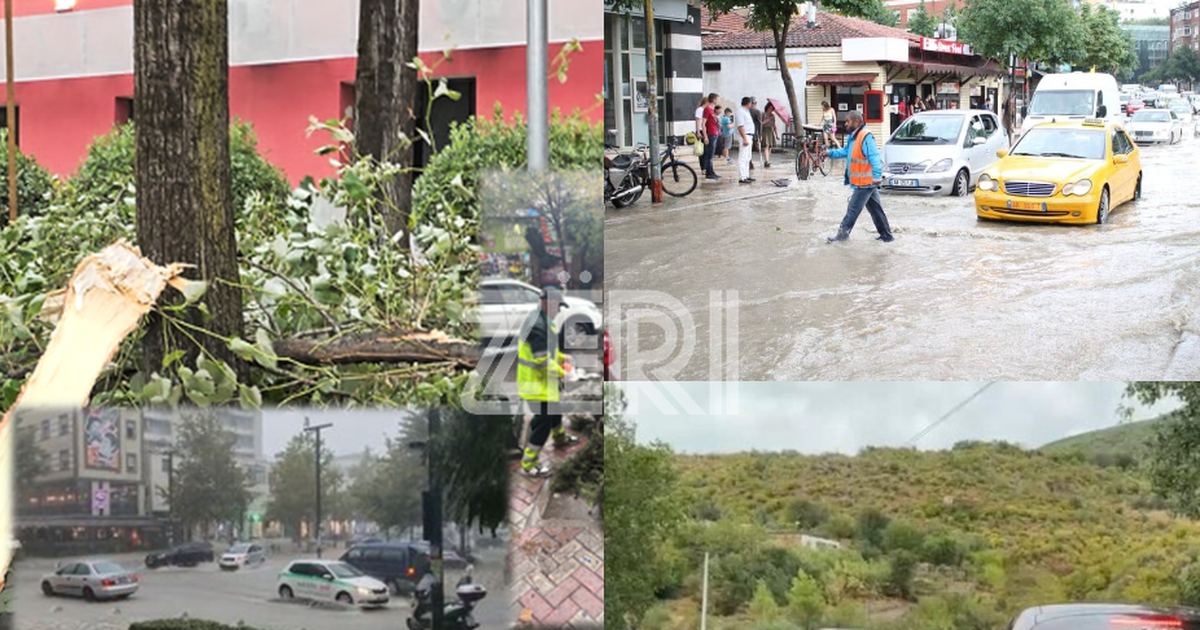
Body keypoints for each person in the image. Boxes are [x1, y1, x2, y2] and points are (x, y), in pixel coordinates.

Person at [517, 287, 578, 477]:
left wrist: (562, 357)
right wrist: (563, 373)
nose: (559, 310)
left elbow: (550, 352)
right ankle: (529, 465)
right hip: (536, 385)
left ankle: (560, 438)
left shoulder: (545, 321)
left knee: (555, 411)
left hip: (545, 384)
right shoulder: (537, 324)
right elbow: (542, 360)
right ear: (548, 303)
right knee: (542, 424)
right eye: (558, 306)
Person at [825, 110, 893, 244]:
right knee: (876, 210)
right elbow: (845, 151)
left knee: (852, 210)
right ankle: (886, 236)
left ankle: (841, 237)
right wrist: (829, 153)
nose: (845, 124)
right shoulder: (854, 137)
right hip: (865, 183)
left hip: (865, 183)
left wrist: (876, 176)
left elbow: (874, 157)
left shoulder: (865, 136)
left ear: (856, 122)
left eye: (847, 121)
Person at [735, 96, 756, 184]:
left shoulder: (746, 111)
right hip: (745, 135)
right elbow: (741, 126)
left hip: (749, 135)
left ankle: (746, 175)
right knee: (743, 157)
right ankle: (742, 177)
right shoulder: (740, 112)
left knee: (748, 157)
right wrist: (744, 138)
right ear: (748, 103)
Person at [702, 93, 722, 180]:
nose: (717, 101)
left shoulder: (712, 110)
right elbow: (703, 123)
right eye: (717, 99)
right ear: (713, 99)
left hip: (715, 133)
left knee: (712, 154)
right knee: (709, 155)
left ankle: (711, 171)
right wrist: (705, 136)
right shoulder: (707, 110)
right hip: (710, 134)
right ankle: (708, 173)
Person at [761, 102, 779, 168]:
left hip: (771, 131)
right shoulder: (763, 114)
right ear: (767, 108)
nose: (771, 110)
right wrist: (768, 120)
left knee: (770, 147)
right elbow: (761, 123)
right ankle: (766, 161)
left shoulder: (773, 116)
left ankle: (767, 160)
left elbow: (774, 126)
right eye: (770, 108)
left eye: (772, 109)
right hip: (765, 131)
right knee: (766, 146)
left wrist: (776, 134)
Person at [694, 96, 710, 175]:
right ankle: (703, 167)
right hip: (700, 130)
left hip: (705, 130)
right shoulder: (700, 110)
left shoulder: (705, 110)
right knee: (702, 150)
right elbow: (698, 121)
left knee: (706, 150)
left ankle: (706, 166)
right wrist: (698, 132)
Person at [749, 97, 763, 172]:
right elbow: (760, 124)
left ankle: (749, 162)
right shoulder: (757, 111)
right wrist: (760, 135)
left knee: (748, 150)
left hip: (746, 133)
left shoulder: (746, 111)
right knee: (754, 149)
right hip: (754, 133)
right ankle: (750, 163)